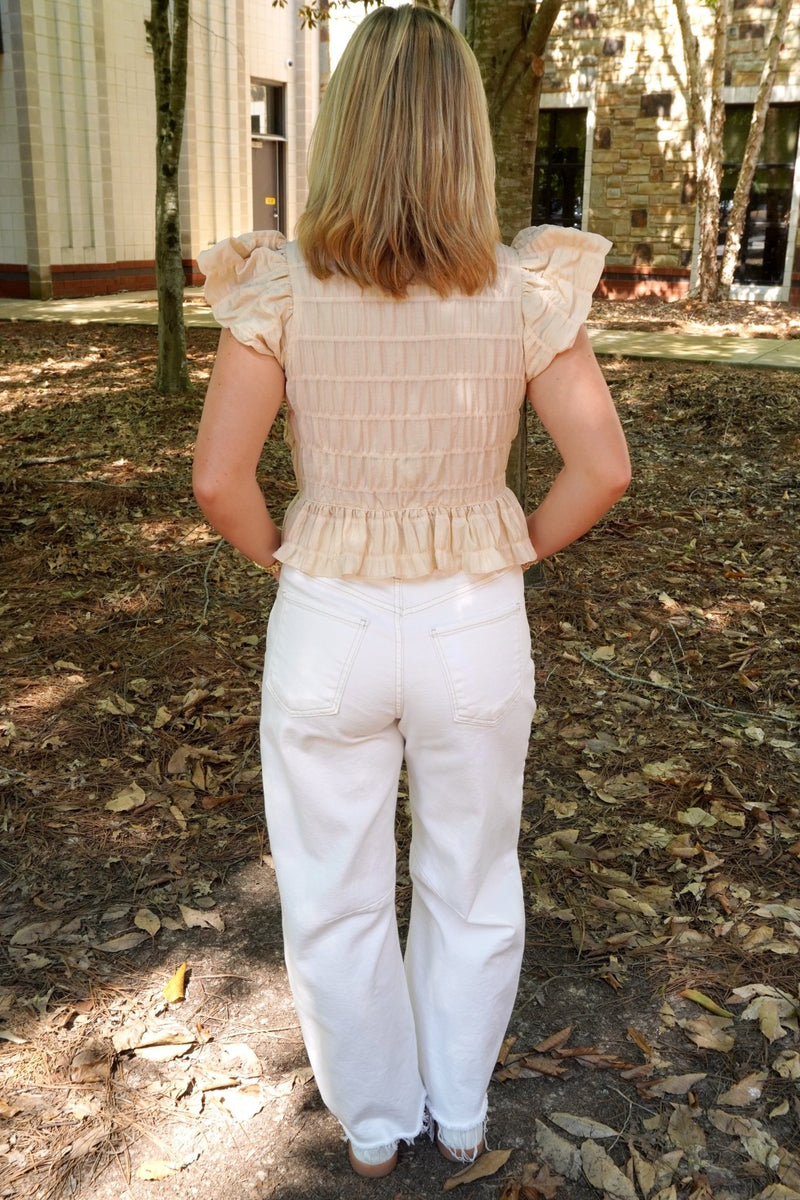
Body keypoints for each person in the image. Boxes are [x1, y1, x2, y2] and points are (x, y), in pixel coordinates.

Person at [192, 2, 630, 1180]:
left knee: (331, 894)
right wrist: (513, 549)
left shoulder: (278, 286)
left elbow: (221, 482)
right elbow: (601, 469)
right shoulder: (523, 286)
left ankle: (377, 1129)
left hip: (327, 615)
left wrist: (288, 558)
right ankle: (461, 1109)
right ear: (464, 135)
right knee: (472, 876)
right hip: (470, 621)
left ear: (341, 129)